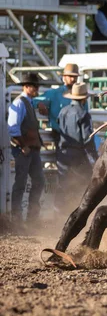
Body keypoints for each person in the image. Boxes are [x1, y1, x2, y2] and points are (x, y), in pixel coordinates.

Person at [7, 73, 45, 227]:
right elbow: (13, 128)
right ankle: (18, 218)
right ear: (27, 87)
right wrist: (23, 145)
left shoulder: (27, 102)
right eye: (34, 86)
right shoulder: (20, 103)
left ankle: (30, 217)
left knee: (37, 181)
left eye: (36, 86)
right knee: (22, 183)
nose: (37, 88)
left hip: (29, 149)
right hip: (24, 149)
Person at [56, 83, 98, 213]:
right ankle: (80, 211)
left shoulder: (63, 111)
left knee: (64, 184)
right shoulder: (83, 114)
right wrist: (95, 157)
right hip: (77, 154)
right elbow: (87, 138)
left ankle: (60, 212)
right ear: (84, 98)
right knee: (86, 183)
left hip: (62, 154)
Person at [35, 63, 81, 147]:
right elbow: (34, 101)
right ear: (64, 78)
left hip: (77, 134)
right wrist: (39, 104)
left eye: (75, 77)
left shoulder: (80, 95)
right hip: (60, 134)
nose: (73, 79)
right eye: (70, 76)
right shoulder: (55, 93)